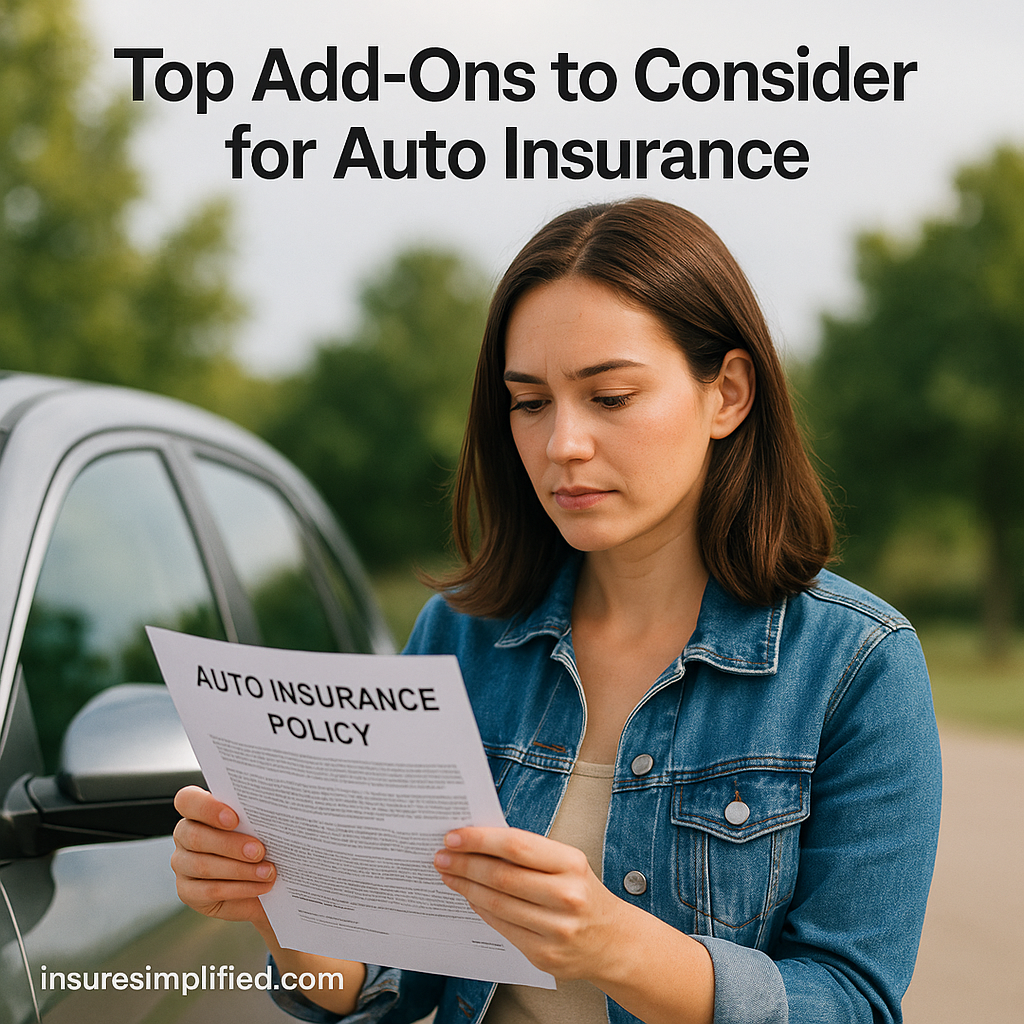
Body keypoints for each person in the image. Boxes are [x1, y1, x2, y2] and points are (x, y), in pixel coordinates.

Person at [171, 198, 941, 1024]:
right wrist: (283, 908)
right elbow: (397, 983)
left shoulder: (858, 663)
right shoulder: (461, 636)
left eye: (609, 396)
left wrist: (617, 947)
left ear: (727, 394)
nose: (561, 444)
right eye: (530, 402)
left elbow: (854, 1001)